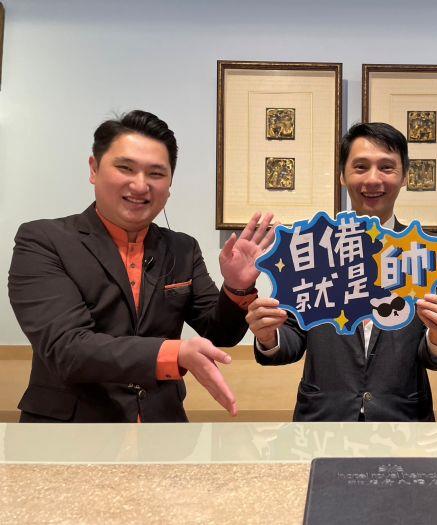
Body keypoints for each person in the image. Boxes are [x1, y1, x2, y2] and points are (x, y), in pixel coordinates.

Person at [8, 110, 274, 423]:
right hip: (70, 431)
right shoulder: (43, 240)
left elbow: (220, 334)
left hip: (161, 429)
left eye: (156, 173)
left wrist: (237, 287)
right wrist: (174, 353)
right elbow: (66, 348)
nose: (139, 185)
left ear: (170, 185)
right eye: (125, 168)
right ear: (94, 169)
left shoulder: (182, 248)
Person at [245, 122, 437, 421]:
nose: (373, 179)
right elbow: (292, 339)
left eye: (387, 167)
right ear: (342, 176)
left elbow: (434, 357)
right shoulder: (310, 248)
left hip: (404, 419)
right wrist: (269, 337)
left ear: (405, 177)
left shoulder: (428, 253)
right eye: (360, 167)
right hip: (322, 420)